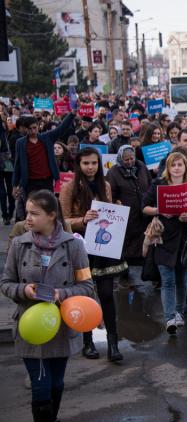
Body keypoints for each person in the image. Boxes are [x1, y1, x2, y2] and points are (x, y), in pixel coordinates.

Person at [0, 190, 93, 422]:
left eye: (34, 213)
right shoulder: (19, 244)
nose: (27, 218)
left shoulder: (74, 246)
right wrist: (24, 290)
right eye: (27, 212)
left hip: (60, 326)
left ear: (52, 216)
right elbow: (5, 283)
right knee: (40, 386)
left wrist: (61, 294)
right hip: (29, 327)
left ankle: (50, 419)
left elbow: (86, 286)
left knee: (56, 383)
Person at [59, 147, 125, 362]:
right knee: (85, 297)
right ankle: (87, 342)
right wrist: (82, 220)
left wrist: (115, 209)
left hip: (104, 249)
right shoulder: (69, 187)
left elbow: (107, 216)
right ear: (78, 165)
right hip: (81, 249)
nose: (90, 167)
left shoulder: (105, 185)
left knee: (107, 295)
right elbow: (63, 221)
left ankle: (113, 344)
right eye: (86, 163)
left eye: (94, 163)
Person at [143, 152, 187, 334]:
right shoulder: (158, 184)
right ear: (168, 168)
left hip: (183, 237)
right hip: (163, 238)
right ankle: (169, 318)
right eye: (173, 165)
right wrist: (160, 210)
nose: (177, 168)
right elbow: (144, 207)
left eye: (180, 165)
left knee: (182, 278)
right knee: (168, 280)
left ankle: (179, 312)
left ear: (185, 167)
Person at [13, 113, 76, 220]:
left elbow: (62, 128)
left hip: (47, 181)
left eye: (35, 128)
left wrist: (71, 115)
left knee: (47, 207)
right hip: (30, 183)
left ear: (38, 126)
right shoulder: (20, 143)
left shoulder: (47, 138)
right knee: (32, 209)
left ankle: (48, 230)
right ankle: (33, 233)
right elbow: (18, 164)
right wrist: (15, 185)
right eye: (30, 129)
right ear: (25, 129)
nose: (33, 131)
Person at [106, 145, 152, 266]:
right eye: (126, 160)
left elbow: (149, 184)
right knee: (128, 243)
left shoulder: (141, 166)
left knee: (144, 240)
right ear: (120, 158)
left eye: (132, 158)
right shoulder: (113, 172)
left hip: (144, 213)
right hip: (127, 215)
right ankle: (127, 272)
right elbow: (111, 194)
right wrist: (116, 201)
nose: (130, 162)